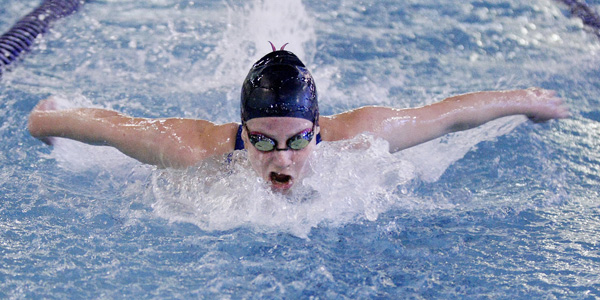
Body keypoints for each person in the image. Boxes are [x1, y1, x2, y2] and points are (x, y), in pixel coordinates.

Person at [27, 46, 570, 192]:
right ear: (241, 131)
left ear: (319, 129)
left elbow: (448, 115)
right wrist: (46, 121)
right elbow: (104, 125)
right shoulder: (191, 147)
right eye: (261, 143)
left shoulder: (357, 137)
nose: (282, 159)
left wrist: (525, 99)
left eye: (298, 141)